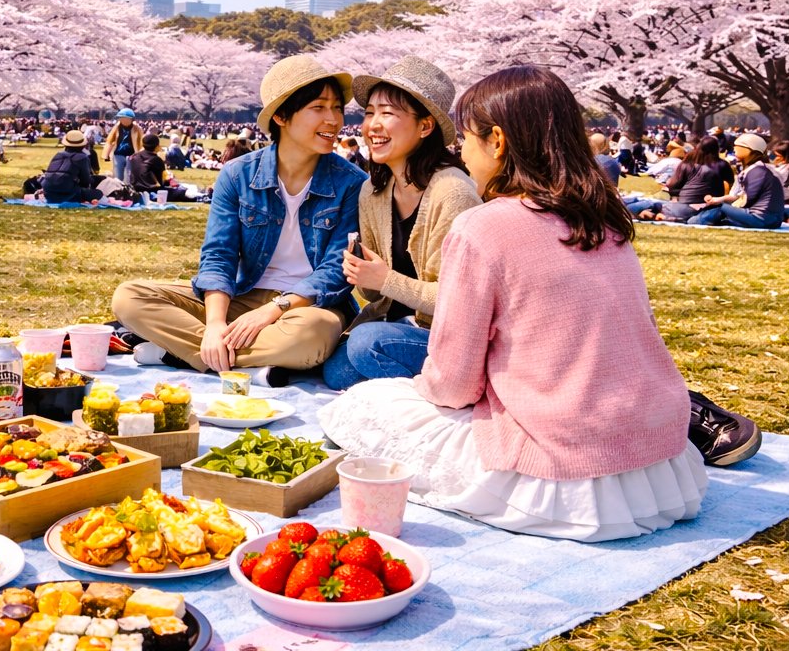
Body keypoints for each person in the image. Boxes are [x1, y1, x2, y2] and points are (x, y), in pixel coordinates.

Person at [318, 65, 744, 543]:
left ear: (497, 141)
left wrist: (426, 390)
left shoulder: (482, 224)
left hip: (557, 466)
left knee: (358, 407)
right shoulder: (604, 218)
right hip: (658, 463)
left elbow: (455, 384)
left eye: (466, 139)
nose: (461, 152)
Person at [113, 54, 368, 385]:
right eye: (319, 108)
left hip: (305, 308)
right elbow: (218, 255)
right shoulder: (238, 175)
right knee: (129, 296)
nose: (334, 119)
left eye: (337, 108)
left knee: (315, 335)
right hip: (243, 295)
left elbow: (335, 271)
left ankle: (177, 354)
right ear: (281, 116)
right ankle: (240, 358)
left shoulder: (351, 181)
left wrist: (273, 310)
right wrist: (216, 324)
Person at [319, 57, 482, 391]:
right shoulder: (373, 191)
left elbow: (460, 300)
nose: (373, 125)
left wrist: (386, 278)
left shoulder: (451, 192)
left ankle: (449, 391)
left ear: (425, 126)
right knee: (336, 370)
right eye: (369, 113)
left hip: (449, 334)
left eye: (388, 113)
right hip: (395, 324)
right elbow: (373, 292)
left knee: (367, 345)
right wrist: (363, 274)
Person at [688, 133, 784, 229]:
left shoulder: (757, 171)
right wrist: (720, 200)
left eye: (737, 147)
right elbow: (743, 196)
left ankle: (695, 221)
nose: (734, 149)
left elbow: (747, 199)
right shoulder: (759, 169)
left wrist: (728, 207)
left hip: (761, 218)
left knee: (721, 209)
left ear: (749, 149)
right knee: (723, 212)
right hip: (768, 219)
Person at [632, 137, 735, 221]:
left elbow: (672, 185)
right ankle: (663, 216)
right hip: (705, 206)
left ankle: (644, 212)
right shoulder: (722, 165)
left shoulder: (687, 163)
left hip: (680, 204)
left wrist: (676, 193)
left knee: (655, 204)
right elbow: (731, 183)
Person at [40, 129, 100, 204]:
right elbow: (85, 181)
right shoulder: (82, 158)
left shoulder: (58, 155)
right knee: (98, 193)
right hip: (68, 194)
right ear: (83, 145)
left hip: (48, 193)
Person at [103, 108, 143, 182]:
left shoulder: (137, 129)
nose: (123, 120)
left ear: (131, 119)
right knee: (118, 175)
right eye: (121, 118)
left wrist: (139, 154)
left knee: (129, 175)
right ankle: (119, 190)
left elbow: (142, 142)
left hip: (131, 155)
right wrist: (106, 154)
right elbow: (110, 141)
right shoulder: (117, 128)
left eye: (126, 118)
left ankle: (128, 190)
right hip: (118, 154)